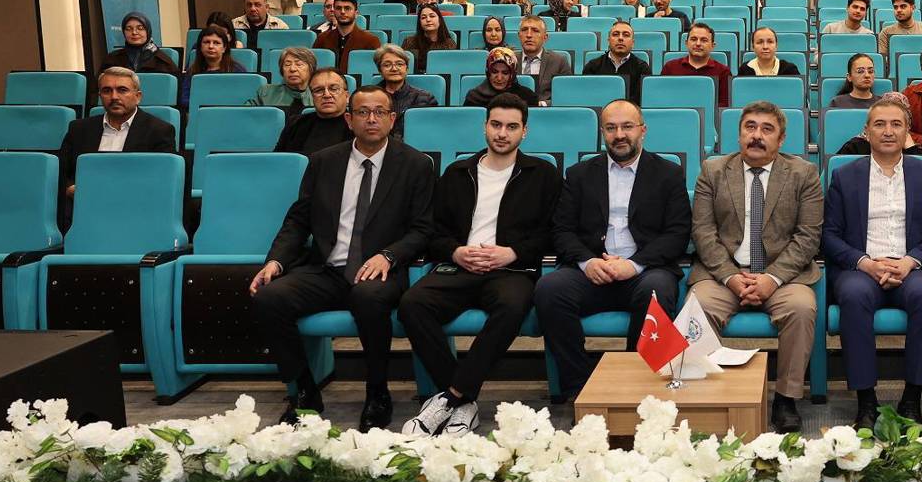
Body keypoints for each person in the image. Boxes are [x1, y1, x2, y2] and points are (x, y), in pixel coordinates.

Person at [249, 84, 433, 428]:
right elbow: (298, 220)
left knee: (368, 297)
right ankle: (305, 390)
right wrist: (276, 261)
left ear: (392, 119)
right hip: (328, 268)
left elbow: (423, 229)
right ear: (349, 120)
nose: (371, 119)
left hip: (380, 270)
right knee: (269, 297)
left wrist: (389, 256)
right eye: (363, 112)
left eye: (379, 112)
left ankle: (377, 392)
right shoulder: (323, 161)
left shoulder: (415, 164)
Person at [398, 95, 561, 436]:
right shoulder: (457, 173)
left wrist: (512, 253)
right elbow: (433, 233)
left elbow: (553, 234)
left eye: (512, 127)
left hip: (511, 270)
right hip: (460, 266)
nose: (502, 133)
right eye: (496, 125)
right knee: (412, 304)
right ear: (485, 126)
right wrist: (456, 252)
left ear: (524, 132)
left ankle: (450, 397)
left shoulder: (542, 174)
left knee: (512, 306)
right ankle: (462, 401)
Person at [534, 101, 689, 400]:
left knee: (657, 290)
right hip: (591, 272)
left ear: (642, 130)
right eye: (611, 128)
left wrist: (633, 265)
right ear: (602, 132)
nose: (619, 135)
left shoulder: (668, 174)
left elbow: (677, 234)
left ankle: (637, 388)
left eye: (627, 126)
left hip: (644, 271)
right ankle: (580, 389)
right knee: (549, 289)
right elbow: (562, 230)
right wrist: (587, 262)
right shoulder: (579, 174)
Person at [689, 101, 824, 434]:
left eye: (767, 129)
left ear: (781, 139)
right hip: (723, 274)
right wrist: (731, 277)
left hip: (783, 276)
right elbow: (703, 232)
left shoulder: (803, 174)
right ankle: (708, 396)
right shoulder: (713, 171)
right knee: (699, 306)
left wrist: (771, 279)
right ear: (738, 135)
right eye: (750, 127)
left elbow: (808, 236)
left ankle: (786, 399)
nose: (757, 136)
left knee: (801, 307)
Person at [822, 96, 922, 426]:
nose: (888, 131)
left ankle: (912, 398)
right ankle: (866, 401)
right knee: (853, 296)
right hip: (862, 268)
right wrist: (865, 262)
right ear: (867, 132)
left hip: (911, 267)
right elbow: (830, 235)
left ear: (908, 132)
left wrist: (910, 261)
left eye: (896, 124)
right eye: (879, 124)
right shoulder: (845, 176)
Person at [57, 66, 177, 226]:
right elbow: (61, 171)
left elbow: (162, 179)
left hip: (134, 207)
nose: (114, 97)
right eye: (107, 91)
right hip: (83, 205)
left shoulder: (159, 131)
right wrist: (70, 188)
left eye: (122, 90)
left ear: (138, 96)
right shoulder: (79, 129)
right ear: (100, 96)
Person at [275, 68, 354, 156]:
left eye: (334, 89)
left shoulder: (356, 125)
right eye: (318, 90)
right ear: (312, 96)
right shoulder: (296, 123)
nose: (327, 95)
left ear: (347, 96)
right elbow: (279, 158)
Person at [661, 22, 732, 107]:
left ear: (713, 45)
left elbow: (723, 105)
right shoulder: (670, 67)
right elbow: (662, 99)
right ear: (686, 43)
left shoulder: (723, 71)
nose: (698, 44)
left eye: (704, 40)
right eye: (693, 39)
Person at [178, 19, 247, 106]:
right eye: (206, 42)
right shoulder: (192, 71)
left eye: (216, 43)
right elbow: (185, 99)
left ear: (224, 48)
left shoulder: (238, 70)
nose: (211, 46)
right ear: (200, 47)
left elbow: (244, 99)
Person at [584, 19, 650, 105]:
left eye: (626, 35)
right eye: (615, 34)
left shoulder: (642, 68)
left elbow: (641, 102)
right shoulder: (592, 66)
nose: (620, 38)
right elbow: (588, 98)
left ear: (633, 43)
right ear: (608, 41)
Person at [97, 12, 177, 83]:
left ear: (148, 31)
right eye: (129, 29)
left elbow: (176, 90)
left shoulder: (163, 61)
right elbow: (97, 87)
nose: (134, 32)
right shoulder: (112, 59)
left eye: (140, 28)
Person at [372, 44, 437, 131]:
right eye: (387, 65)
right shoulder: (368, 97)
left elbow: (428, 130)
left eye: (399, 64)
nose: (394, 69)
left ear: (407, 69)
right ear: (380, 70)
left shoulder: (425, 98)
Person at [513, 14, 573, 104]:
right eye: (524, 30)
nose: (529, 35)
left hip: (546, 111)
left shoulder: (559, 61)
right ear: (519, 35)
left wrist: (543, 104)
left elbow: (566, 96)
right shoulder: (510, 59)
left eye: (535, 30)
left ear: (545, 37)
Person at [312, 0, 378, 72]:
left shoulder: (371, 40)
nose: (342, 12)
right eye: (338, 8)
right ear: (334, 12)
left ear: (356, 13)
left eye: (347, 8)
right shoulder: (322, 38)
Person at [250, 45, 317, 122]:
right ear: (282, 70)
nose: (292, 69)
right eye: (287, 64)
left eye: (299, 64)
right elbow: (247, 116)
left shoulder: (319, 95)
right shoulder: (266, 93)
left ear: (311, 69)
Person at [464, 45, 537, 109]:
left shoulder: (527, 97)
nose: (499, 78)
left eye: (505, 73)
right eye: (494, 72)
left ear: (513, 74)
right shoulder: (474, 98)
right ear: (488, 72)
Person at [401, 3, 455, 72]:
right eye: (423, 17)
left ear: (440, 20)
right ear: (419, 22)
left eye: (432, 16)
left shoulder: (449, 44)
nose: (428, 20)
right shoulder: (409, 42)